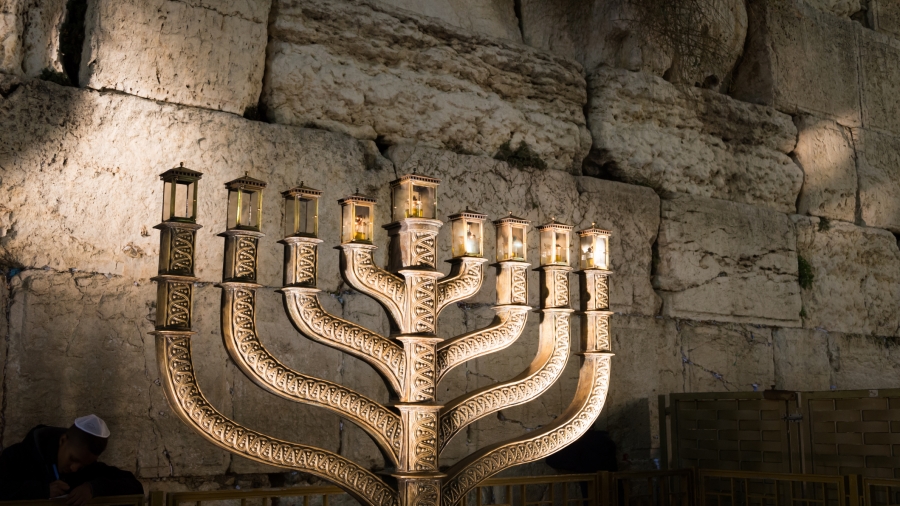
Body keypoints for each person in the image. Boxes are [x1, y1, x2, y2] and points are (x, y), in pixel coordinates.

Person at [0, 414, 143, 505]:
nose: (74, 468)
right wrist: (42, 491)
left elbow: (134, 486)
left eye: (82, 465)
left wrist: (93, 488)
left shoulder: (89, 469)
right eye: (72, 459)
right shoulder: (17, 456)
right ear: (63, 440)